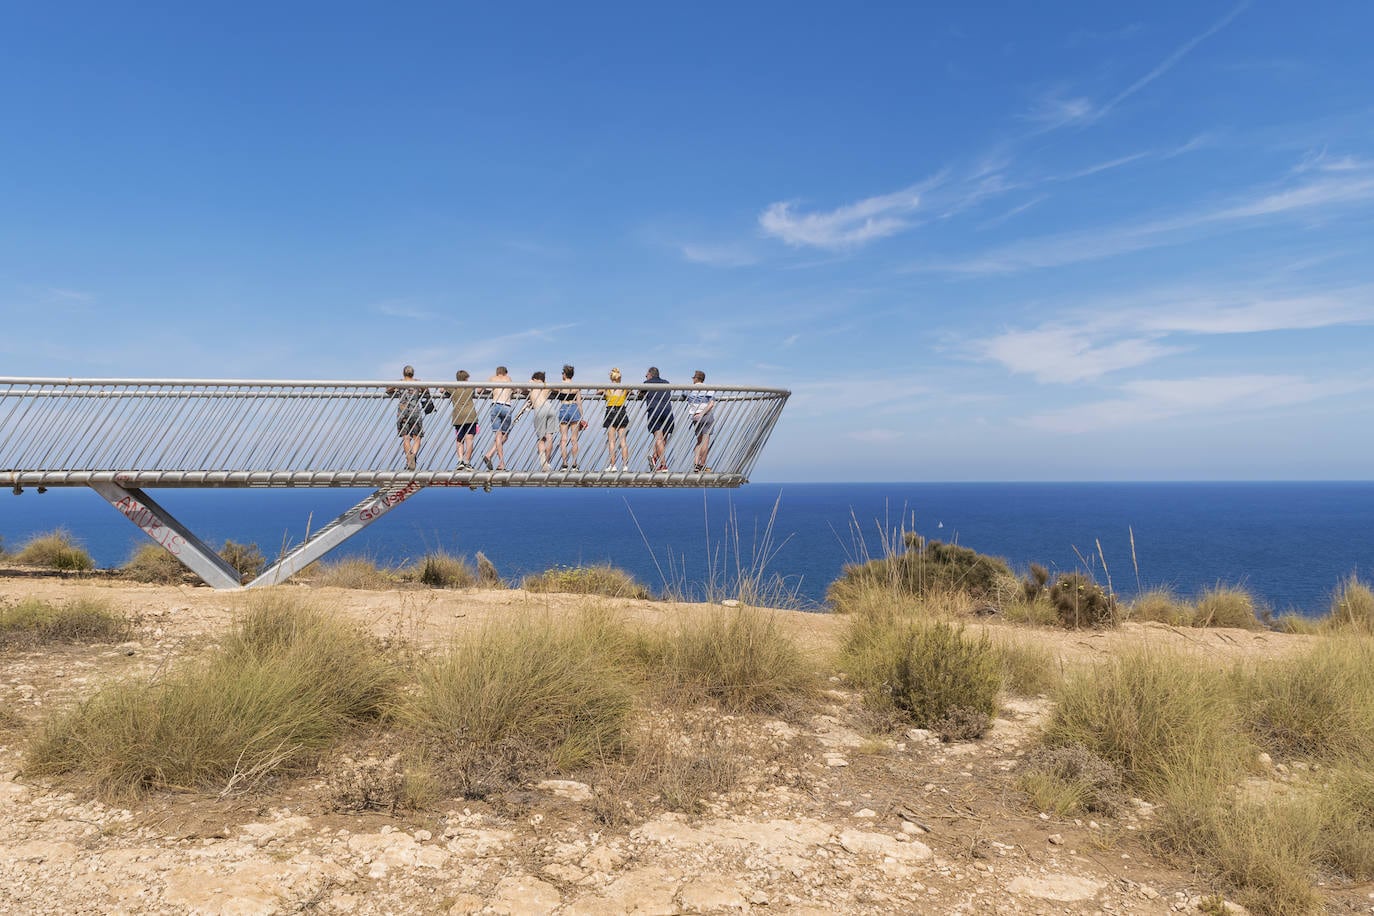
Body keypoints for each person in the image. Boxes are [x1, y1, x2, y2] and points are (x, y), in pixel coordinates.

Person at [385, 365, 432, 471]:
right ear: (413, 374)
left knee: (406, 438)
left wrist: (396, 388)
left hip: (403, 413)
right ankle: (413, 456)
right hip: (415, 412)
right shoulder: (417, 383)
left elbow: (388, 390)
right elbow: (427, 390)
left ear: (403, 373)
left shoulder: (400, 383)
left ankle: (408, 460)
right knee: (417, 437)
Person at [514, 371, 557, 471]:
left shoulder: (532, 383)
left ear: (534, 378)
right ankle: (548, 462)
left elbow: (521, 389)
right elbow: (558, 389)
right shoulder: (547, 385)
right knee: (549, 437)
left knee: (541, 439)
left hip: (539, 409)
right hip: (550, 408)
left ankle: (543, 463)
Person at [481, 366, 514, 471]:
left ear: (497, 372)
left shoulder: (492, 378)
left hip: (495, 406)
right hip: (507, 406)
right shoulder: (508, 379)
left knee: (498, 435)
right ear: (505, 372)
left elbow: (479, 389)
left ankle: (494, 458)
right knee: (505, 436)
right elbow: (515, 390)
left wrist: (491, 392)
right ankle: (497, 461)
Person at [446, 369, 479, 469]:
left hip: (458, 416)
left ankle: (460, 461)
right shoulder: (470, 387)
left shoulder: (453, 388)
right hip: (470, 416)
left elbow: (442, 389)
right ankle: (467, 462)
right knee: (469, 439)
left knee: (460, 439)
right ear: (466, 378)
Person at [642, 366, 674, 471]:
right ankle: (655, 457)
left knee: (658, 438)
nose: (645, 376)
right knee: (663, 439)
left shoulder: (647, 384)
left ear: (650, 375)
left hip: (655, 411)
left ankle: (663, 465)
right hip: (668, 412)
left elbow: (640, 393)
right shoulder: (666, 383)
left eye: (646, 374)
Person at [556, 364, 585, 470]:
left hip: (564, 408)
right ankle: (574, 464)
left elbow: (552, 390)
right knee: (574, 440)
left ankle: (564, 464)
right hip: (574, 409)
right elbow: (579, 402)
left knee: (563, 439)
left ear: (564, 374)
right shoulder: (576, 386)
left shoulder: (560, 385)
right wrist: (581, 417)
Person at [686, 369, 716, 473]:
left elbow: (685, 396)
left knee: (699, 441)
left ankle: (696, 465)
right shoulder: (708, 389)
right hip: (706, 416)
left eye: (693, 378)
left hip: (695, 417)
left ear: (696, 378)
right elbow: (711, 404)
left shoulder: (689, 390)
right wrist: (702, 413)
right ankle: (702, 465)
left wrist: (698, 414)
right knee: (705, 442)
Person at [602, 367, 630, 471]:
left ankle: (613, 465)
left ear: (611, 377)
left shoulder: (607, 388)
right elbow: (631, 392)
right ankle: (625, 466)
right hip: (622, 412)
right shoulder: (624, 388)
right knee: (623, 441)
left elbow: (598, 391)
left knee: (611, 441)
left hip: (611, 412)